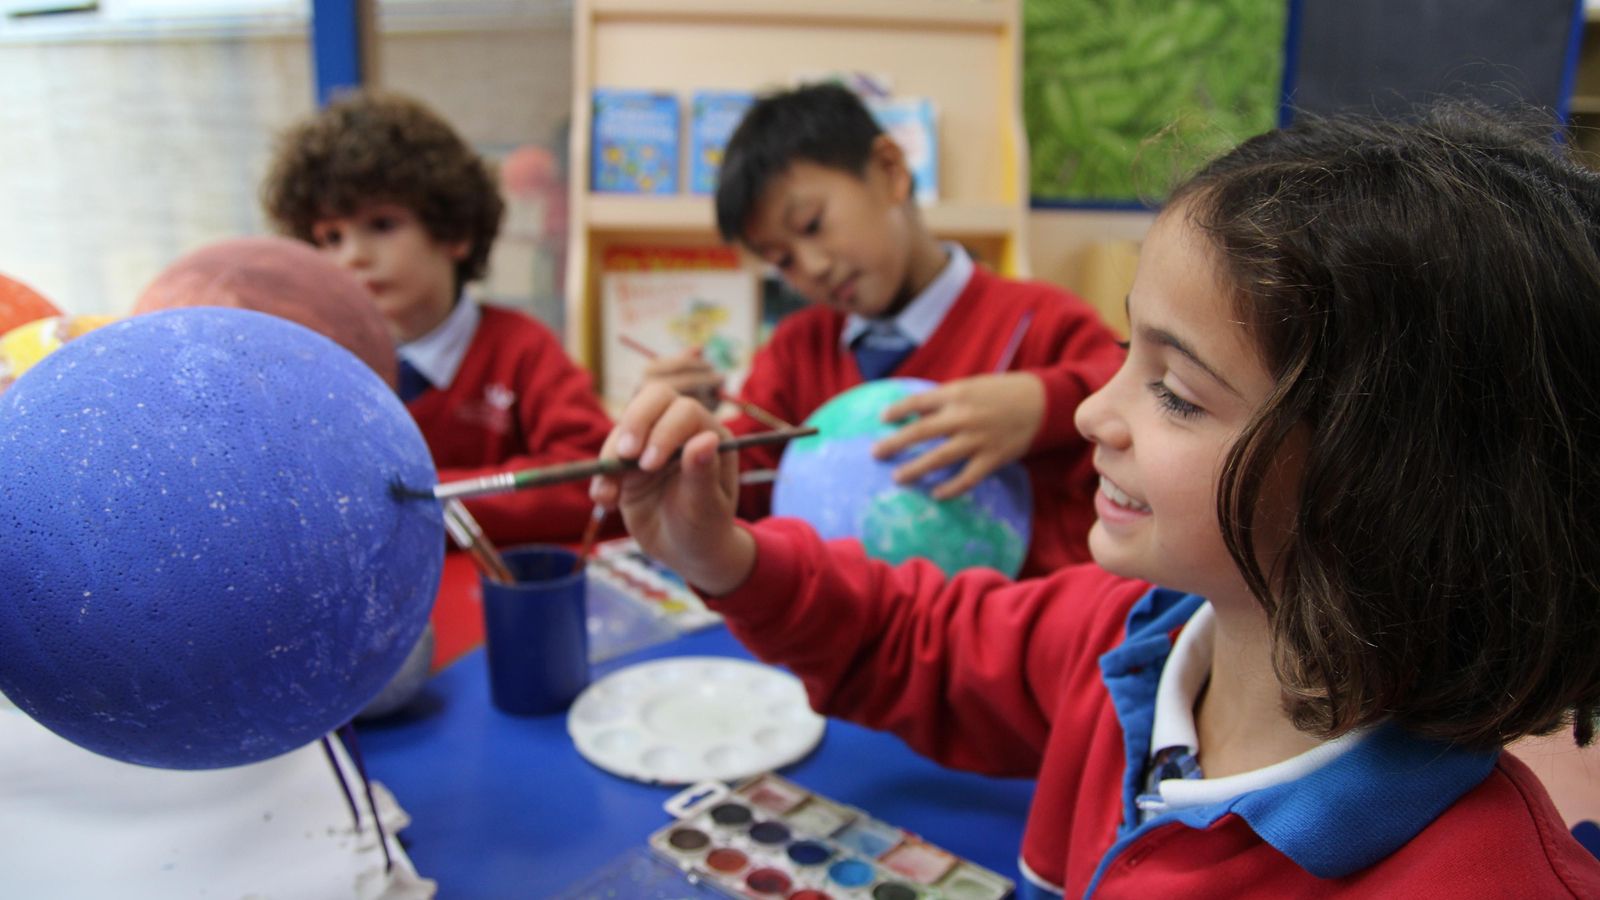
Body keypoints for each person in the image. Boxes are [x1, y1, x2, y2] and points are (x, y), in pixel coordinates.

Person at [592, 103, 1600, 896]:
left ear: (1379, 478)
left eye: (1172, 389)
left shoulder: (1485, 879)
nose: (1085, 418)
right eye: (1124, 354)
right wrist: (719, 553)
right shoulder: (1126, 642)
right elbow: (913, 636)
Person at [641, 84, 1124, 576]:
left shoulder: (1039, 323)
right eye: (781, 260)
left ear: (890, 171)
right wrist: (685, 441)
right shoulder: (797, 351)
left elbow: (1141, 404)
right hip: (845, 635)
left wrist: (1046, 405)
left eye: (811, 225)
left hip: (1013, 631)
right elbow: (743, 488)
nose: (813, 266)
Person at [262, 89, 612, 545]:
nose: (351, 257)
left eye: (382, 225)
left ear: (455, 232)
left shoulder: (523, 349)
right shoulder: (316, 366)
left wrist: (413, 506)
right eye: (330, 237)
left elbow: (592, 475)